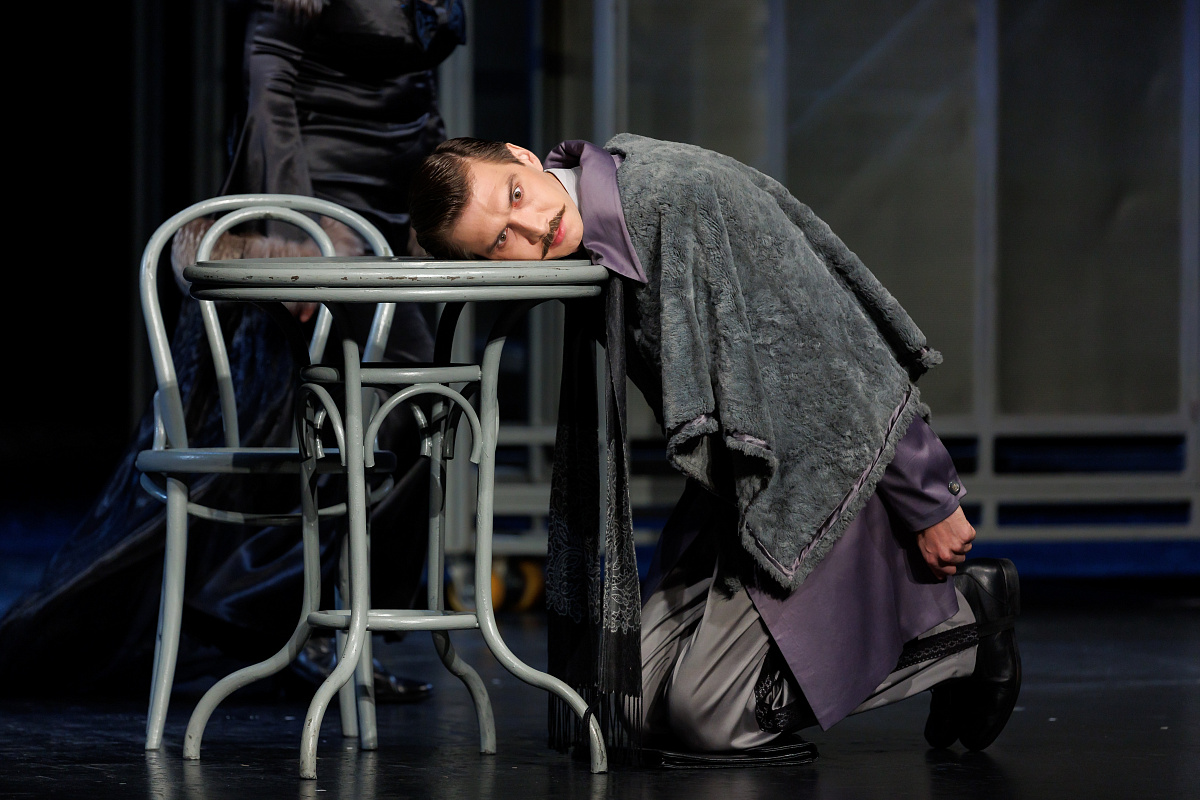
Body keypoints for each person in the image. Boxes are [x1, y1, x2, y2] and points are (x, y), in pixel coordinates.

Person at [407, 135, 1022, 761]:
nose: (533, 227)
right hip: (741, 487)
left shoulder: (674, 201)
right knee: (625, 705)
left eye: (516, 195)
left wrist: (929, 499)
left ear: (523, 156)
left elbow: (837, 348)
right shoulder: (590, 237)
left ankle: (963, 625)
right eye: (500, 240)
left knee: (710, 720)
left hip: (821, 476)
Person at [0, 0, 465, 704]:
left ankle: (319, 613)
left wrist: (440, 200)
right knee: (384, 401)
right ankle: (282, 608)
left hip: (400, 196)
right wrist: (296, 227)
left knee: (407, 409)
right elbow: (269, 77)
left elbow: (420, 91)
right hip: (327, 196)